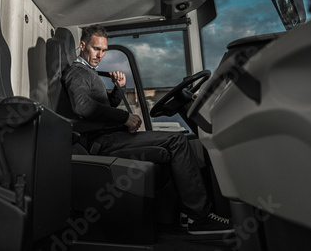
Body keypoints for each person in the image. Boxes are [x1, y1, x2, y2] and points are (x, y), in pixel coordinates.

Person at [62, 24, 234, 235]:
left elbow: (103, 107)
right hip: (104, 141)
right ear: (82, 45)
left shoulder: (90, 73)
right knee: (176, 142)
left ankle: (186, 212)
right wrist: (125, 117)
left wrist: (119, 88)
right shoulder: (77, 72)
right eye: (96, 49)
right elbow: (83, 106)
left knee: (177, 142)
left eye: (104, 50)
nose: (101, 54)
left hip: (112, 136)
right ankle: (199, 218)